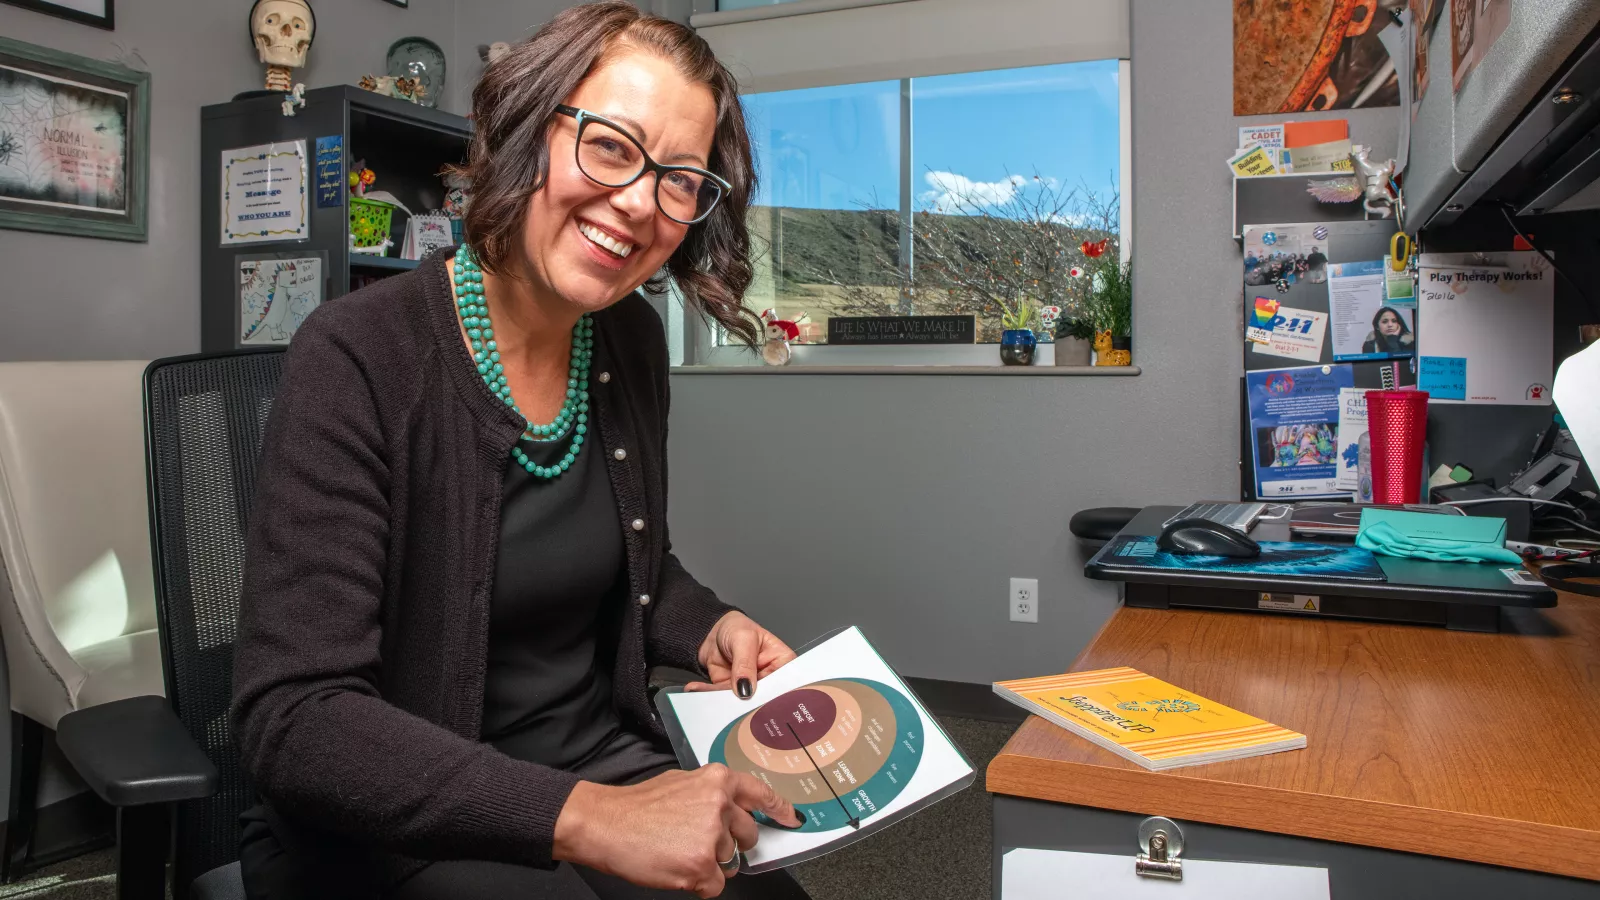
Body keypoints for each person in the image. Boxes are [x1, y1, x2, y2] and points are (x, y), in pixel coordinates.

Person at [232, 5, 810, 898]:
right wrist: (591, 819)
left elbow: (635, 565)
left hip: (592, 761)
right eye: (612, 146)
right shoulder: (355, 356)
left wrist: (713, 627)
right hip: (396, 823)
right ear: (525, 130)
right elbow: (297, 720)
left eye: (681, 180)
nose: (639, 203)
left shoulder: (628, 342)